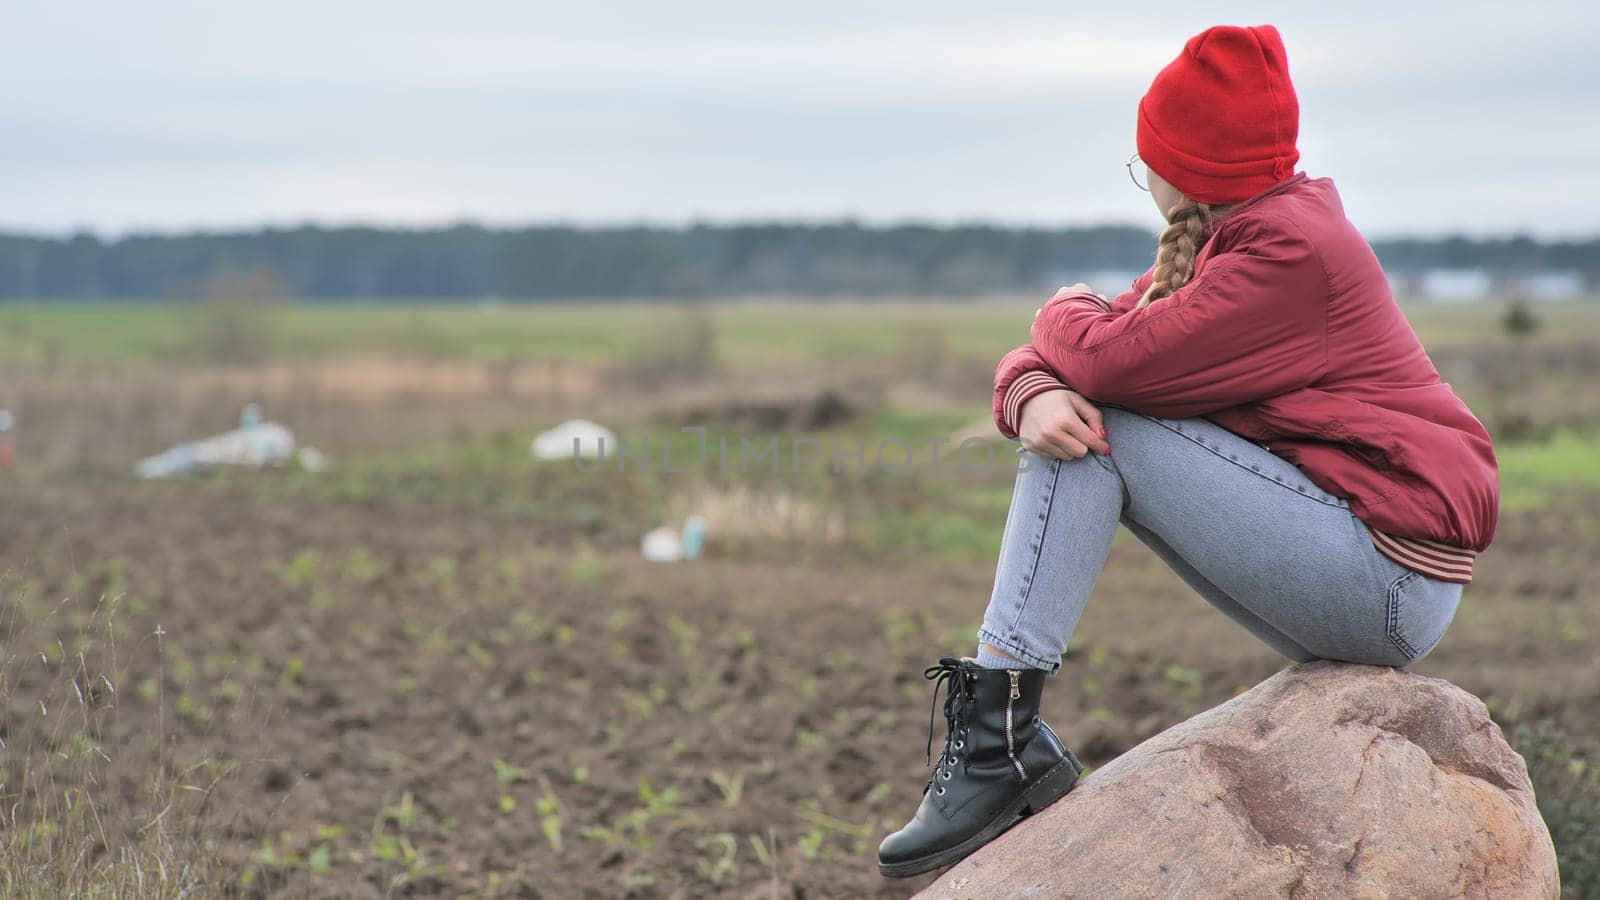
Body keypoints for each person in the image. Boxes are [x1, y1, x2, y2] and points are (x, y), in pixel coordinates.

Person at [877, 23, 1499, 878]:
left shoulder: (1289, 254)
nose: (1147, 181)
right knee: (1090, 415)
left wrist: (1057, 312)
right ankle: (1001, 738)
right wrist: (1029, 388)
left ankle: (998, 742)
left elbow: (1100, 359)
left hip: (1387, 579)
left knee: (1107, 429)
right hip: (1363, 561)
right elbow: (1089, 358)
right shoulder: (1237, 239)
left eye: (1146, 164)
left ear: (1187, 170)